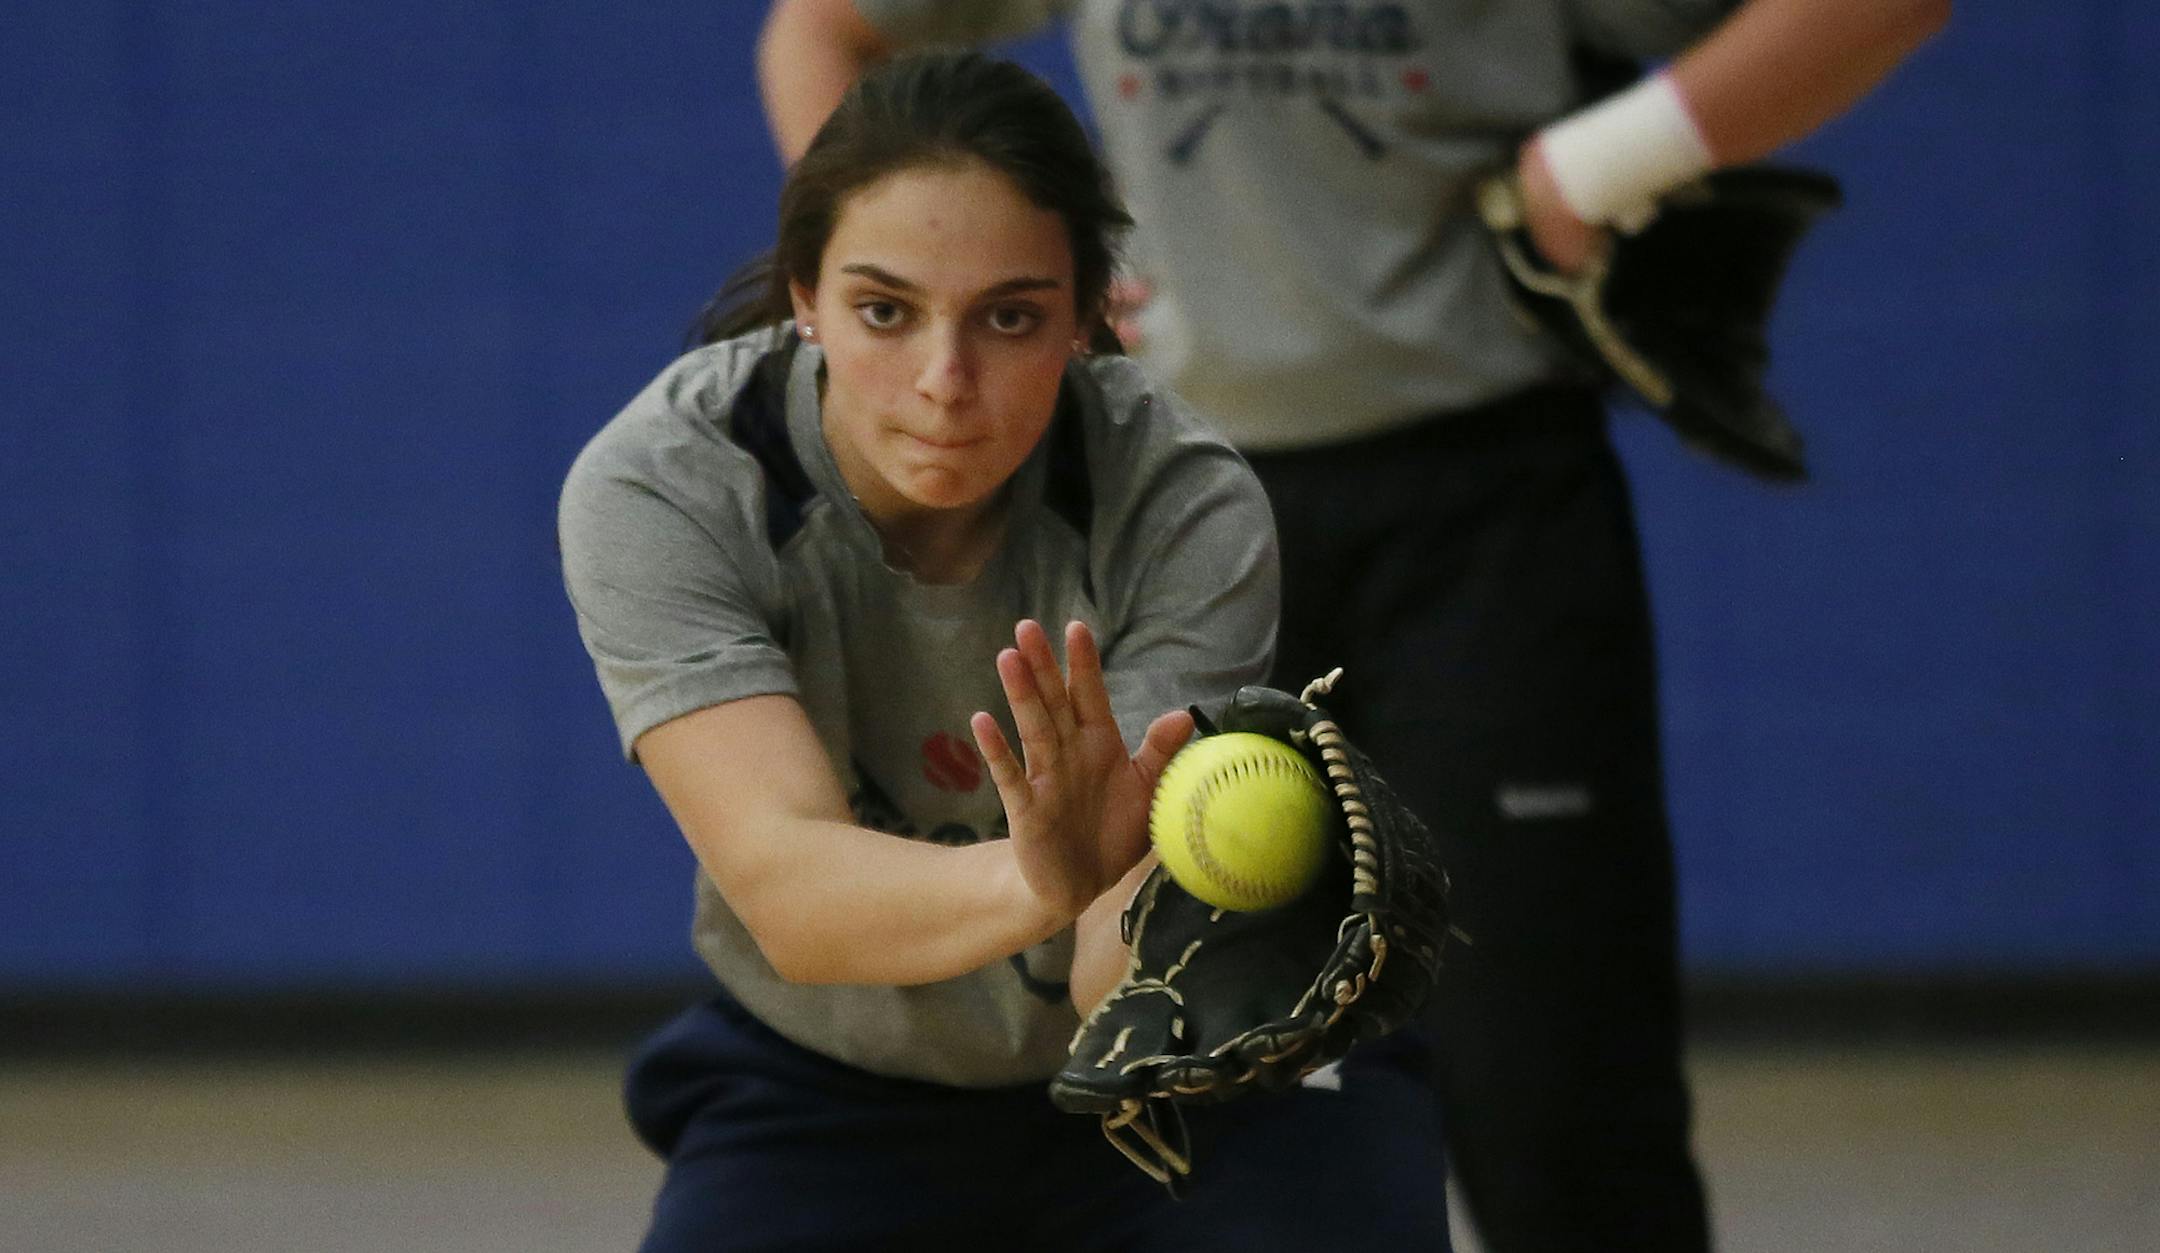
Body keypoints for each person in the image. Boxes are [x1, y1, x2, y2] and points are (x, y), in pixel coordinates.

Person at [756, 3, 1951, 1249]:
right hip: (1175, 514)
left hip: (1489, 513)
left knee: (1555, 1096)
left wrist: (1600, 160)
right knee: (1159, 1086)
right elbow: (822, 29)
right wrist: (950, 274)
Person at [559, 50, 1454, 1251]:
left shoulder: (1181, 498)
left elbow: (1105, 972)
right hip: (834, 1079)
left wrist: (1139, 918)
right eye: (885, 310)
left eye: (1011, 316)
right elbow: (791, 896)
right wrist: (1040, 875)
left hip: (1171, 1071)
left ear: (1089, 316)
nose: (945, 382)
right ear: (803, 298)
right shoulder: (666, 485)